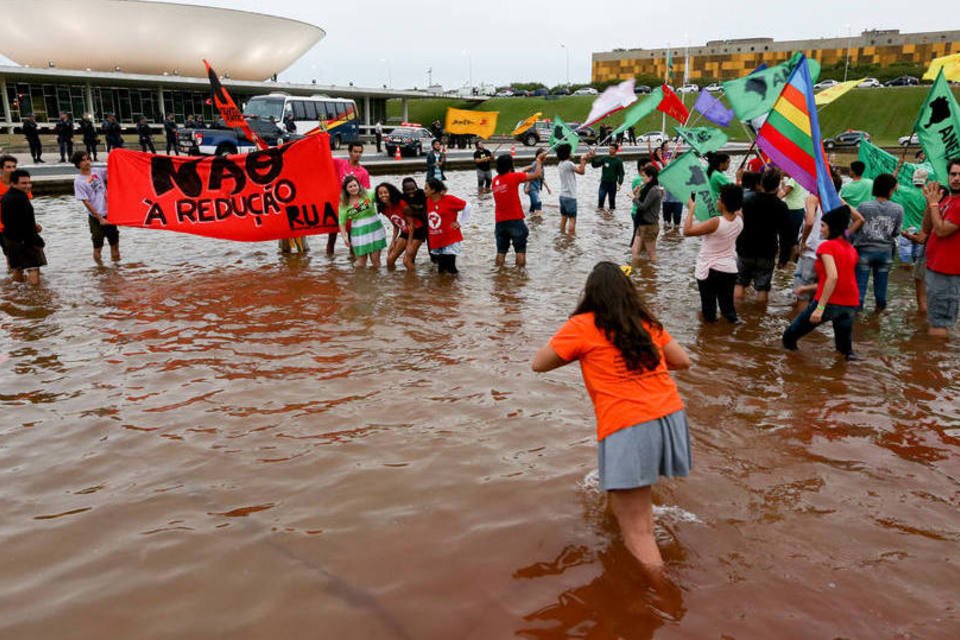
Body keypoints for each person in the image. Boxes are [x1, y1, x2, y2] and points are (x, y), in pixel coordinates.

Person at [531, 261, 692, 585]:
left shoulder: (582, 325)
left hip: (628, 423)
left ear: (591, 295)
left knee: (638, 528)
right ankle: (621, 531)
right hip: (670, 417)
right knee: (628, 506)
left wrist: (580, 353)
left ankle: (665, 596)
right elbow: (682, 361)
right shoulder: (645, 323)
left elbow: (539, 364)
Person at [783, 205, 860, 359]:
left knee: (789, 338)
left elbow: (833, 277)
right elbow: (840, 279)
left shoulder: (826, 246)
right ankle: (842, 379)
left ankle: (795, 371)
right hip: (850, 303)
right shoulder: (851, 249)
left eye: (823, 226)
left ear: (833, 227)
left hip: (829, 302)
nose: (820, 229)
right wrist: (807, 288)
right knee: (845, 352)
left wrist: (820, 308)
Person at [684, 184, 744, 324]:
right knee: (728, 309)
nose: (717, 201)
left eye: (718, 199)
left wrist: (691, 209)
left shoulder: (715, 222)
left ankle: (709, 340)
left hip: (709, 270)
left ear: (723, 203)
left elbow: (687, 231)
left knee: (709, 310)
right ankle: (732, 336)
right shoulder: (739, 219)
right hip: (729, 269)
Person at [735, 168, 789, 305]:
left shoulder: (746, 201)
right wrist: (784, 257)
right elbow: (785, 234)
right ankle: (758, 318)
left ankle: (736, 312)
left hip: (745, 248)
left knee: (740, 282)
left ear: (761, 183)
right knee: (763, 287)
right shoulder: (781, 206)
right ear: (777, 186)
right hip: (767, 251)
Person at [850, 173, 903, 312]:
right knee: (881, 290)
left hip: (864, 251)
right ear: (890, 190)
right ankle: (878, 316)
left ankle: (856, 321)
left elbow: (854, 228)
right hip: (885, 253)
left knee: (859, 289)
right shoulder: (898, 209)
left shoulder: (863, 206)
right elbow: (896, 232)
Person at [922, 159, 960, 337]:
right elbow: (926, 228)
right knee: (935, 319)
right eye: (953, 174)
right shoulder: (948, 200)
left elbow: (942, 230)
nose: (956, 178)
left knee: (939, 323)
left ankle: (935, 363)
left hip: (948, 271)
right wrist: (930, 203)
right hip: (935, 268)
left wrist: (934, 205)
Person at [492, 152, 544, 267]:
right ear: (510, 165)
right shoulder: (514, 177)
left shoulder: (495, 180)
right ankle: (519, 278)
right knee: (520, 251)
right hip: (515, 220)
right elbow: (536, 175)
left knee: (501, 252)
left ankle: (499, 276)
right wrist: (539, 161)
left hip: (500, 222)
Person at [323, 142, 371, 255]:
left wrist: (362, 211)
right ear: (349, 152)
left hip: (353, 208)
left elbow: (366, 194)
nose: (357, 154)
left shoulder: (363, 173)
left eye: (360, 152)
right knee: (331, 238)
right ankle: (330, 264)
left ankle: (353, 265)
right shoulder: (340, 163)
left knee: (352, 240)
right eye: (355, 152)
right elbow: (325, 159)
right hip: (337, 206)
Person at [72, 150, 120, 263]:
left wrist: (115, 157)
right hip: (96, 218)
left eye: (88, 159)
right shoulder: (79, 181)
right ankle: (100, 269)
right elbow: (86, 202)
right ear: (78, 164)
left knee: (115, 244)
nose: (87, 162)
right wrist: (99, 218)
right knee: (98, 247)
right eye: (83, 160)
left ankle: (117, 269)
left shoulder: (97, 171)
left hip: (109, 214)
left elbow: (112, 171)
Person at [0, 169, 45, 285]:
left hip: (11, 239)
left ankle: (16, 296)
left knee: (17, 269)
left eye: (29, 182)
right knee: (33, 268)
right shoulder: (20, 198)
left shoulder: (6, 197)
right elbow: (24, 226)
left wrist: (34, 226)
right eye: (24, 183)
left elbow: (11, 220)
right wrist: (36, 241)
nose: (28, 185)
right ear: (13, 183)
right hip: (24, 240)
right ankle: (35, 298)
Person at [338, 175, 386, 268]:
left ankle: (377, 281)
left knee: (376, 262)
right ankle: (355, 280)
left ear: (359, 185)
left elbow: (383, 196)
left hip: (375, 230)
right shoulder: (344, 203)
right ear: (346, 189)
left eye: (355, 185)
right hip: (359, 233)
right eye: (350, 187)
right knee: (360, 263)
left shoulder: (369, 194)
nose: (353, 188)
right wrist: (344, 237)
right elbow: (342, 222)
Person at [424, 178, 469, 274]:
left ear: (433, 190)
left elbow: (467, 206)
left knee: (451, 268)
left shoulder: (449, 199)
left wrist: (461, 223)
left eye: (426, 188)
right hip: (437, 239)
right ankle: (445, 288)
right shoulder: (428, 201)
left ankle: (458, 287)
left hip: (450, 239)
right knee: (441, 270)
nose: (424, 190)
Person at [556, 143, 593, 235]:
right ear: (567, 153)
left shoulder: (561, 164)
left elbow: (579, 167)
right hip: (570, 197)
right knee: (572, 219)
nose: (572, 153)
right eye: (570, 151)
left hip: (562, 196)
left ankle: (562, 236)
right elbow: (581, 171)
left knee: (564, 218)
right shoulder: (569, 164)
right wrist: (582, 160)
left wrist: (585, 159)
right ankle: (570, 239)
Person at [631, 164, 662, 262]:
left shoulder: (654, 190)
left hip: (650, 226)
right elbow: (641, 201)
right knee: (634, 251)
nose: (642, 178)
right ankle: (636, 275)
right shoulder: (647, 188)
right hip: (642, 224)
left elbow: (643, 206)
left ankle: (653, 274)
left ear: (650, 177)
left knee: (651, 253)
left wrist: (633, 198)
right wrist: (637, 193)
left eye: (644, 176)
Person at [376, 181, 409, 269]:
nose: (383, 195)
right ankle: (393, 280)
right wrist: (393, 242)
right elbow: (395, 225)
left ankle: (411, 281)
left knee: (407, 261)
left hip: (415, 232)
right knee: (390, 258)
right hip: (405, 233)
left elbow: (412, 223)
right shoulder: (384, 209)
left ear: (391, 192)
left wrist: (410, 243)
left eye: (385, 192)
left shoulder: (401, 203)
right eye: (380, 193)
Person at [778, 175, 809, 267]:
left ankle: (784, 263)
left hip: (792, 210)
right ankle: (792, 264)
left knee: (785, 238)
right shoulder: (801, 178)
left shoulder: (792, 180)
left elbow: (783, 193)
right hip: (799, 209)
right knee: (793, 238)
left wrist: (771, 198)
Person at [400, 177, 429, 270]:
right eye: (408, 190)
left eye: (413, 189)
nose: (411, 192)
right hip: (413, 225)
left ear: (416, 187)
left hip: (426, 224)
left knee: (433, 250)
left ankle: (434, 266)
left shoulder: (422, 194)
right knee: (412, 254)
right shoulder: (402, 197)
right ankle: (413, 268)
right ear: (403, 190)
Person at [651, 140, 682, 229]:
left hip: (678, 201)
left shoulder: (680, 171)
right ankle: (668, 239)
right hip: (666, 201)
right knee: (666, 224)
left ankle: (674, 239)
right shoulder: (662, 173)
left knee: (677, 225)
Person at [590, 143, 625, 211]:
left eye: (612, 148)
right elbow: (595, 165)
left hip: (612, 184)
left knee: (611, 201)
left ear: (616, 150)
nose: (610, 150)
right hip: (603, 183)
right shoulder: (605, 158)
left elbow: (621, 174)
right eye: (609, 148)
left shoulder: (618, 161)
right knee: (601, 198)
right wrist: (593, 157)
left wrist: (619, 183)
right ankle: (600, 216)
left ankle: (611, 216)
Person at [0, 154, 18, 266]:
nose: (12, 170)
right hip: (2, 227)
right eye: (8, 167)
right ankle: (14, 281)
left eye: (14, 167)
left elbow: (27, 206)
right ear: (1, 169)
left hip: (19, 225)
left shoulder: (20, 184)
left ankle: (18, 282)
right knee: (9, 255)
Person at [523, 147, 550, 215]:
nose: (546, 156)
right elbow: (530, 175)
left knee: (533, 204)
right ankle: (539, 219)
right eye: (544, 154)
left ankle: (531, 218)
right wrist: (527, 187)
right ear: (539, 155)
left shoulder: (541, 165)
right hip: (531, 187)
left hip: (536, 187)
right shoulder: (535, 163)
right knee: (538, 202)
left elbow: (542, 178)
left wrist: (548, 188)